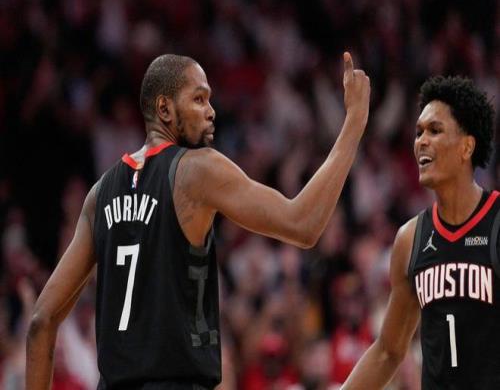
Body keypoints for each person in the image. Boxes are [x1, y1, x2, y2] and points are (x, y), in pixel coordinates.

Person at [26, 52, 370, 389]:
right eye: (199, 99)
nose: (211, 111)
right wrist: (354, 123)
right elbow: (303, 225)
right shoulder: (196, 170)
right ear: (164, 109)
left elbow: (42, 321)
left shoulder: (99, 194)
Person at [342, 76, 499, 389]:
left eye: (435, 130)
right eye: (418, 132)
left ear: (467, 146)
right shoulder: (410, 238)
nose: (421, 141)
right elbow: (388, 352)